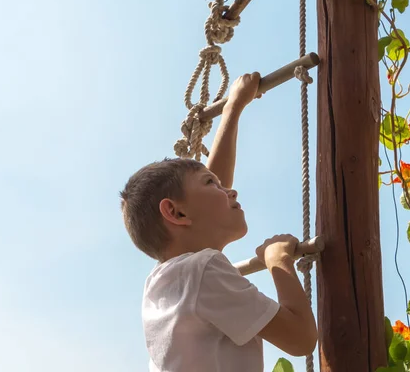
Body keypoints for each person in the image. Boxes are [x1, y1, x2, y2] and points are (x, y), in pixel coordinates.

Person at [120, 72, 317, 372]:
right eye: (212, 184)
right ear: (176, 214)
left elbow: (202, 201)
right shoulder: (204, 270)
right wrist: (278, 260)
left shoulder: (166, 281)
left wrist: (233, 108)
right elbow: (300, 339)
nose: (230, 190)